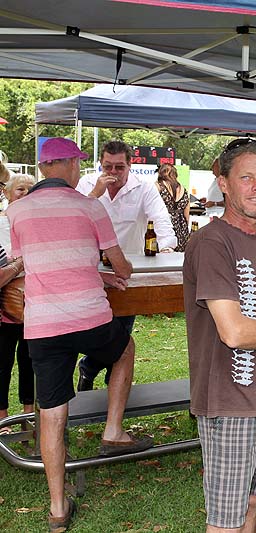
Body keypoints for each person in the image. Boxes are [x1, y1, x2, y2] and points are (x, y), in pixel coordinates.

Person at [8, 138, 152, 532]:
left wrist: (95, 272)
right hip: (90, 319)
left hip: (43, 326)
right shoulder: (90, 206)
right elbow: (121, 265)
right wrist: (114, 273)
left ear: (42, 168)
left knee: (53, 415)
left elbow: (37, 261)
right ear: (71, 165)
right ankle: (113, 430)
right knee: (125, 349)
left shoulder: (17, 210)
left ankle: (57, 508)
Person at [183, 138, 256, 533]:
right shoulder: (212, 243)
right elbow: (233, 331)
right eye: (246, 177)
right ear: (224, 183)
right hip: (231, 405)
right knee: (226, 523)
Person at [75, 140, 177, 392]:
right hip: (92, 270)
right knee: (96, 329)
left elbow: (161, 219)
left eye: (119, 167)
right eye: (107, 166)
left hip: (126, 270)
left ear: (130, 165)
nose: (113, 172)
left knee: (121, 331)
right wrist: (95, 194)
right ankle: (90, 369)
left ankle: (102, 378)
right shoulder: (87, 184)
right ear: (100, 164)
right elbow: (73, 219)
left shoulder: (143, 188)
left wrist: (166, 248)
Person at [0, 173, 35, 427]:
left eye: (31, 189)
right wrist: (20, 263)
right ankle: (2, 420)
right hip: (4, 309)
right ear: (7, 193)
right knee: (2, 364)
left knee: (30, 362)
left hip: (33, 306)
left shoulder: (38, 224)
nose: (26, 193)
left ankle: (29, 417)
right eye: (20, 189)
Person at [156, 163, 190, 251]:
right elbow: (187, 216)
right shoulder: (184, 190)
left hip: (164, 229)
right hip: (182, 230)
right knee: (179, 258)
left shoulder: (158, 186)